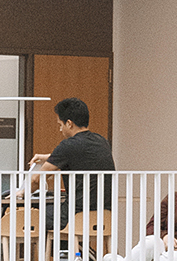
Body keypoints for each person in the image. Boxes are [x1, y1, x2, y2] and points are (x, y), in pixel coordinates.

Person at [27, 98, 115, 236]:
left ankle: (47, 250)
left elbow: (37, 179)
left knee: (29, 216)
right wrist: (48, 157)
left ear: (69, 123)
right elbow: (79, 155)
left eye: (60, 124)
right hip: (104, 214)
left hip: (74, 214)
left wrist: (23, 193)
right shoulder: (102, 141)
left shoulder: (68, 145)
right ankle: (78, 249)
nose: (60, 129)